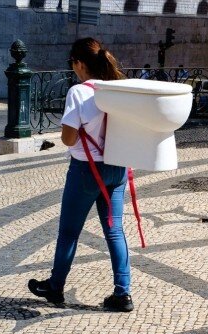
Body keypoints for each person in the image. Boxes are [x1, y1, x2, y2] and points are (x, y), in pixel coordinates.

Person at [28, 37, 135, 312]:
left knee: (69, 232)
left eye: (72, 63)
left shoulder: (78, 92)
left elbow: (68, 138)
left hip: (86, 170)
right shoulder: (117, 89)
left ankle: (55, 286)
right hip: (117, 167)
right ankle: (123, 294)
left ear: (79, 63)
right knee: (115, 231)